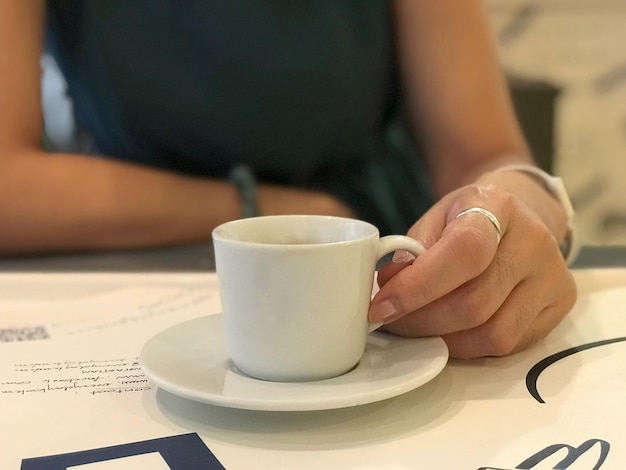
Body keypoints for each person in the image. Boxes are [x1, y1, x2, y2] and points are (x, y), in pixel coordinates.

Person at [0, 0, 577, 359]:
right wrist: (263, 206)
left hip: (380, 268)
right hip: (133, 256)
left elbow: (487, 153)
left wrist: (528, 204)